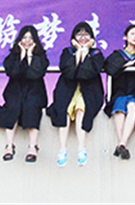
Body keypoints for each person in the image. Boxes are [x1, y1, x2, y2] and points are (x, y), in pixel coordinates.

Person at [46, 22, 105, 167]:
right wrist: (79, 52)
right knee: (64, 111)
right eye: (79, 34)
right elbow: (69, 72)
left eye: (86, 34)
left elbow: (87, 73)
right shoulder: (67, 52)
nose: (83, 37)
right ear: (73, 38)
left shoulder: (96, 54)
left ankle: (81, 149)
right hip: (67, 89)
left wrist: (85, 52)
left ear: (92, 38)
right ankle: (62, 149)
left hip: (89, 91)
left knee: (81, 111)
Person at [0, 25, 49, 163]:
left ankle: (33, 147)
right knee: (13, 107)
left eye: (30, 38)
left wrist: (29, 56)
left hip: (34, 92)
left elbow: (35, 74)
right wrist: (22, 55)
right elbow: (13, 73)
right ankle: (9, 146)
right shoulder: (13, 56)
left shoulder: (41, 57)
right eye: (24, 37)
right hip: (15, 91)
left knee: (31, 107)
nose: (27, 40)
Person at [104, 24, 135, 160]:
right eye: (132, 34)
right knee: (119, 108)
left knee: (132, 106)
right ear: (125, 37)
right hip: (120, 91)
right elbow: (110, 68)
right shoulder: (117, 55)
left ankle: (121, 143)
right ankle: (123, 144)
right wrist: (128, 64)